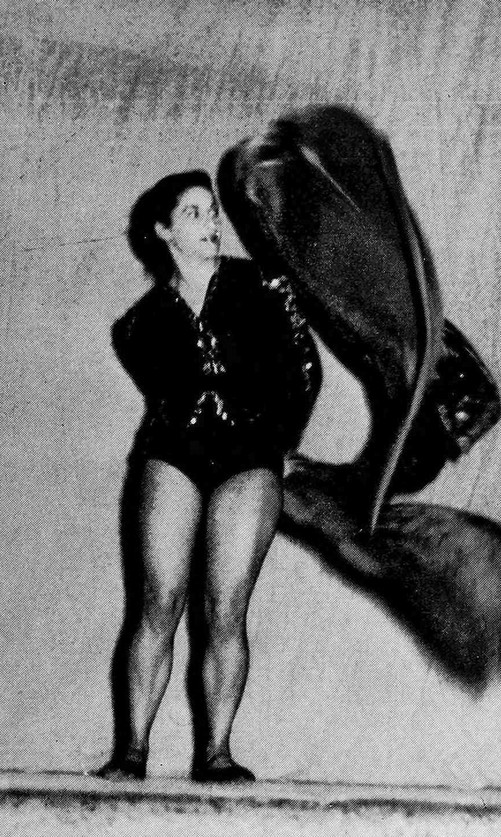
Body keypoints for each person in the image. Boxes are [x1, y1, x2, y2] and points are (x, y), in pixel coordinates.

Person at [98, 170, 321, 783]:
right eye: (194, 214)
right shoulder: (137, 326)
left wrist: (277, 440)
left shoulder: (265, 285)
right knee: (158, 602)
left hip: (250, 457)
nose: (211, 223)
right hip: (173, 453)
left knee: (225, 608)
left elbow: (305, 371)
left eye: (213, 212)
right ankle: (131, 753)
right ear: (163, 231)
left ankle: (216, 753)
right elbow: (169, 396)